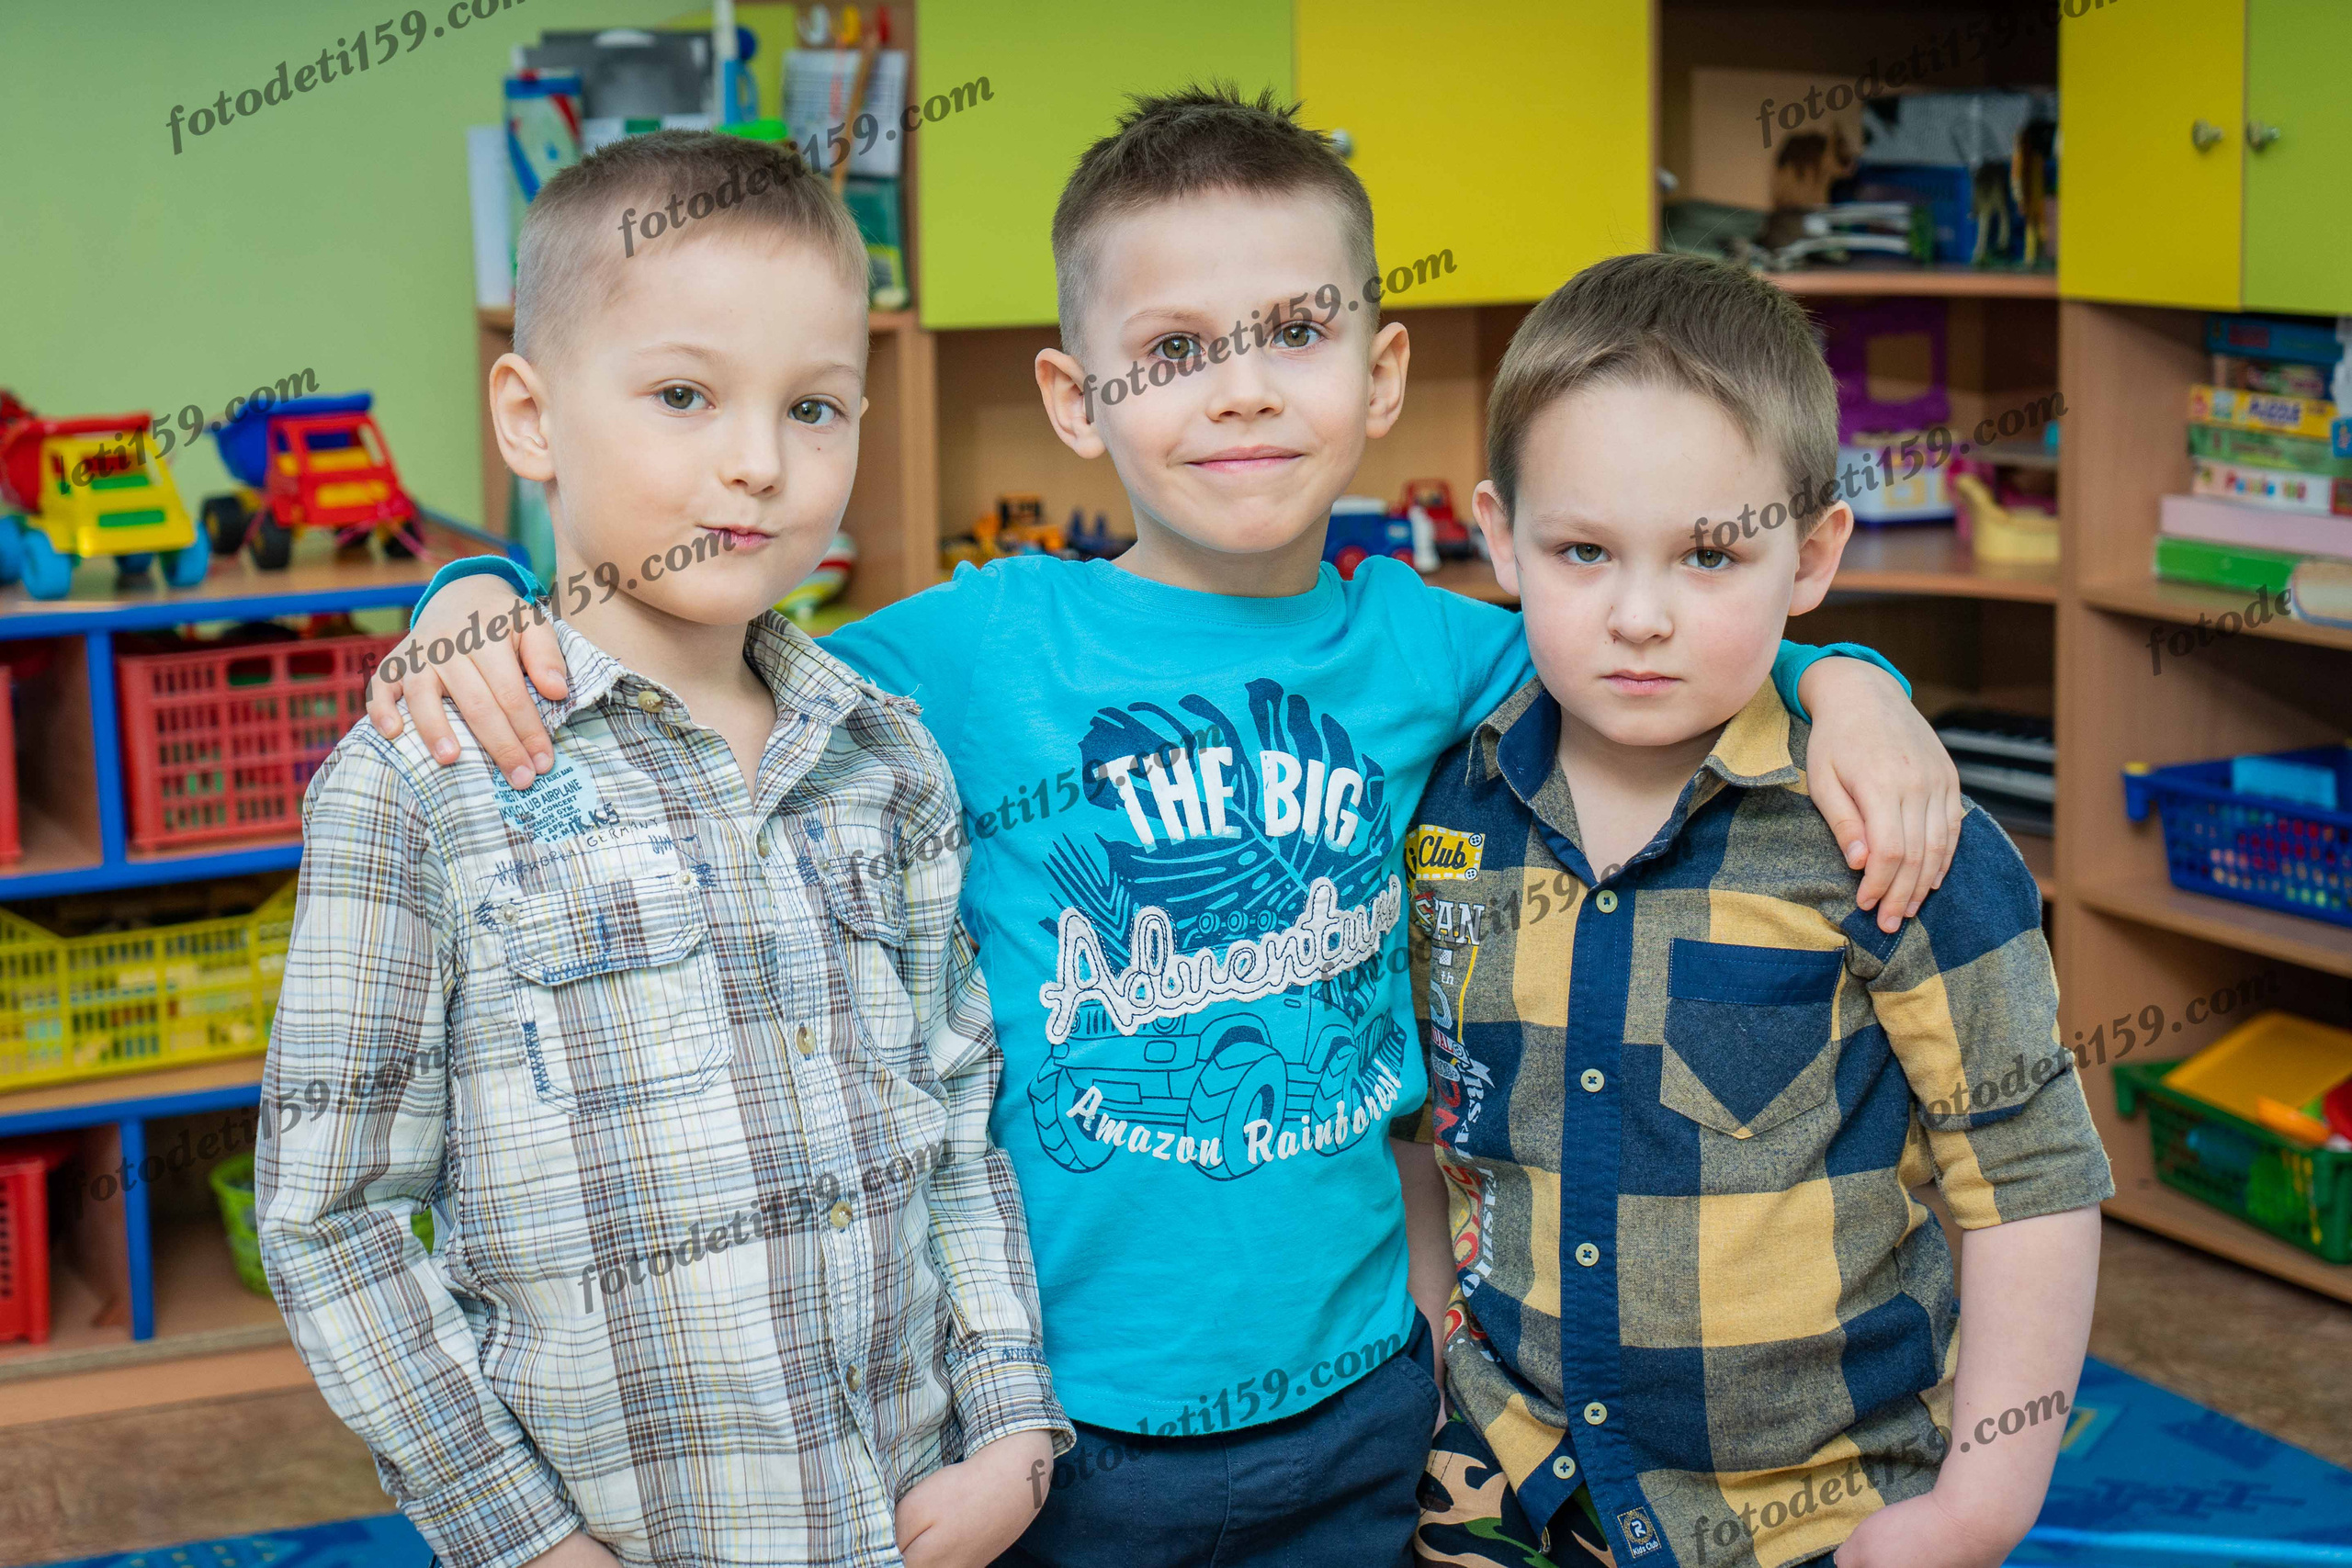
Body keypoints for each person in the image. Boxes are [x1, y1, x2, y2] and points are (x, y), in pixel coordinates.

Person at [368, 89, 1965, 1566]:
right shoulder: (963, 654)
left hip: (1366, 1403)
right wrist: (478, 593)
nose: (1247, 384)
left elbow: (1657, 636)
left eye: (1293, 330)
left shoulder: (1433, 648)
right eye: (1177, 346)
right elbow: (679, 651)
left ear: (1382, 375)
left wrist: (1851, 682)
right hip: (1051, 1429)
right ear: (1076, 399)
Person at [256, 130, 1066, 1568]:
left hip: (915, 1517)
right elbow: (334, 1219)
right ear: (529, 414)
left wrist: (1009, 1422)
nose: (758, 464)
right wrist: (524, 1544)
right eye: (684, 395)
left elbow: (958, 1119)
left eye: (816, 408)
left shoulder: (890, 759)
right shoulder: (422, 777)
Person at [1399, 253, 2109, 1568]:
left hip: (1814, 1514)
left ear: (1814, 551)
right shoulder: (1444, 817)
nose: (1643, 614)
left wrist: (1983, 1505)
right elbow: (1419, 1133)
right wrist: (1439, 1376)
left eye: (1713, 555)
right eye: (1583, 551)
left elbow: (2031, 1179)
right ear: (1499, 538)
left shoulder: (1891, 837)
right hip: (1506, 1483)